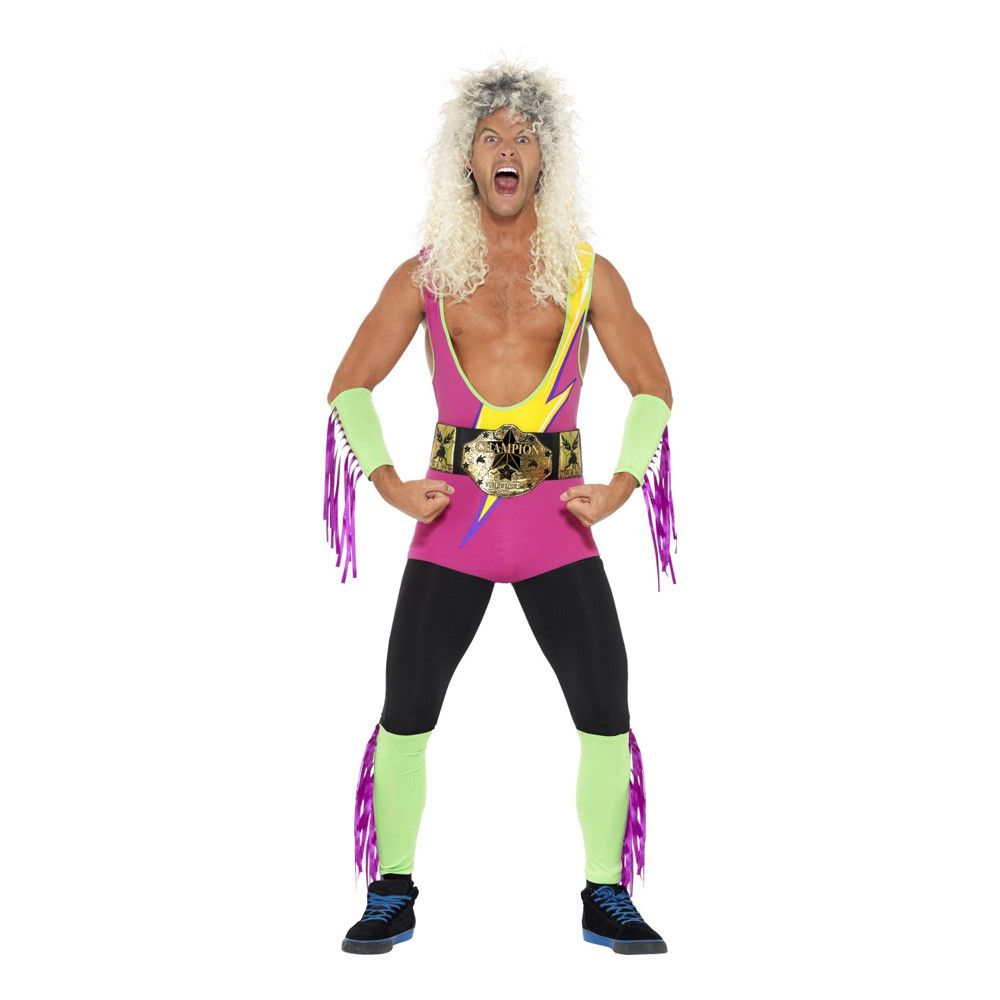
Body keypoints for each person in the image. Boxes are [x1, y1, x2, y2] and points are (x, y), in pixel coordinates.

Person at [323, 60, 676, 956]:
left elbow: (652, 389)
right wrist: (389, 484)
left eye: (523, 136)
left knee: (606, 708)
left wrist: (622, 485)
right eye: (491, 136)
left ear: (544, 160)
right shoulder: (427, 275)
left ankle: (606, 894)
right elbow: (349, 386)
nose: (507, 148)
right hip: (453, 529)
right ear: (468, 159)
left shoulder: (588, 275)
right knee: (407, 709)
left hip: (557, 527)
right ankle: (390, 890)